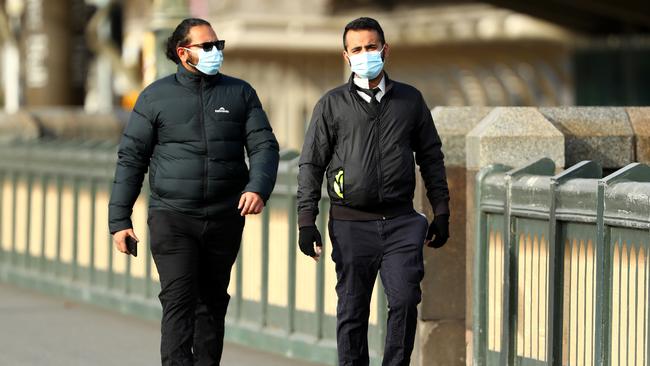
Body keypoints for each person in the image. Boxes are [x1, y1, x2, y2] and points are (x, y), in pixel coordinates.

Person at [108, 18, 279, 366]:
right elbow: (131, 158)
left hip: (224, 217)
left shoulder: (240, 93)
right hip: (172, 217)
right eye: (207, 46)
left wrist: (258, 187)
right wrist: (119, 220)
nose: (216, 52)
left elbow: (264, 147)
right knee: (179, 301)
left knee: (212, 304)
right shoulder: (155, 96)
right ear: (184, 52)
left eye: (219, 45)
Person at [297, 17, 450, 366]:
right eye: (357, 49)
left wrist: (442, 211)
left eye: (371, 47)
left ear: (385, 49)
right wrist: (307, 221)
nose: (365, 54)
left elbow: (431, 157)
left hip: (401, 222)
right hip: (351, 225)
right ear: (346, 56)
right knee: (352, 311)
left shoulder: (410, 100)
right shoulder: (331, 105)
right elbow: (310, 165)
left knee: (405, 300)